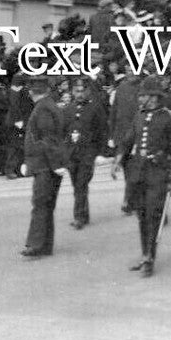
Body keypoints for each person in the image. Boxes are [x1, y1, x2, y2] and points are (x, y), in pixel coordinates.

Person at [112, 76, 171, 276]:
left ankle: (150, 259)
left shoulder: (169, 117)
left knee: (153, 216)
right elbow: (127, 140)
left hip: (158, 173)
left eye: (143, 96)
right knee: (142, 216)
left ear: (154, 97)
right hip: (139, 172)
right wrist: (118, 158)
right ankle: (145, 254)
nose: (140, 99)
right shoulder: (139, 116)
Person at [19, 76, 70, 258]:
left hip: (45, 165)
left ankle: (36, 244)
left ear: (31, 92)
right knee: (46, 205)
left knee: (40, 204)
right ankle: (44, 245)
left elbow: (48, 140)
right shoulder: (48, 106)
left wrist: (55, 165)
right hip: (47, 164)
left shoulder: (42, 109)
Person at [64, 78, 106, 229]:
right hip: (72, 153)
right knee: (77, 185)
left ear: (88, 91)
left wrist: (101, 153)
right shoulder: (68, 109)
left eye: (82, 91)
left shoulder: (95, 108)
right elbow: (64, 132)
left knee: (81, 183)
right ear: (72, 91)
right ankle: (84, 213)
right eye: (77, 91)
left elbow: (102, 131)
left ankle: (79, 216)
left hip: (87, 153)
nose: (80, 94)